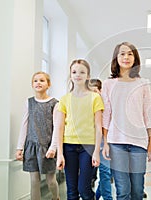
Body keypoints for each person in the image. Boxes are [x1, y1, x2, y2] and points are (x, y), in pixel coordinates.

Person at [101, 42, 151, 200]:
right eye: (122, 54)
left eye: (130, 54)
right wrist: (105, 142)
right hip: (116, 142)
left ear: (135, 58)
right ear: (116, 58)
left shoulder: (143, 83)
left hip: (139, 143)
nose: (126, 57)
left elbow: (148, 114)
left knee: (138, 190)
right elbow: (107, 114)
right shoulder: (108, 84)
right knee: (122, 190)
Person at [55, 59, 104, 200]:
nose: (78, 75)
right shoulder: (64, 99)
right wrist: (59, 153)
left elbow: (98, 127)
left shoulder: (95, 98)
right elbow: (59, 127)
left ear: (88, 75)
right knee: (72, 191)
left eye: (82, 72)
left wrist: (96, 152)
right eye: (74, 72)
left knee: (84, 189)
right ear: (70, 75)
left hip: (88, 148)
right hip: (68, 147)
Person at [15, 71, 60, 200]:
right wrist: (19, 148)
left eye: (42, 80)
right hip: (31, 147)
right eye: (35, 81)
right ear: (32, 84)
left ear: (48, 84)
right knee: (34, 181)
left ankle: (56, 197)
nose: (38, 83)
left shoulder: (54, 103)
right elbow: (24, 125)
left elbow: (57, 127)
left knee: (51, 181)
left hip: (47, 147)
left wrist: (53, 148)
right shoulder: (29, 102)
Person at [89, 78, 113, 200]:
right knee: (100, 174)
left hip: (104, 142)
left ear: (100, 91)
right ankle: (97, 195)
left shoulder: (106, 105)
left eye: (95, 91)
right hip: (89, 142)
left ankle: (107, 197)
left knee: (106, 173)